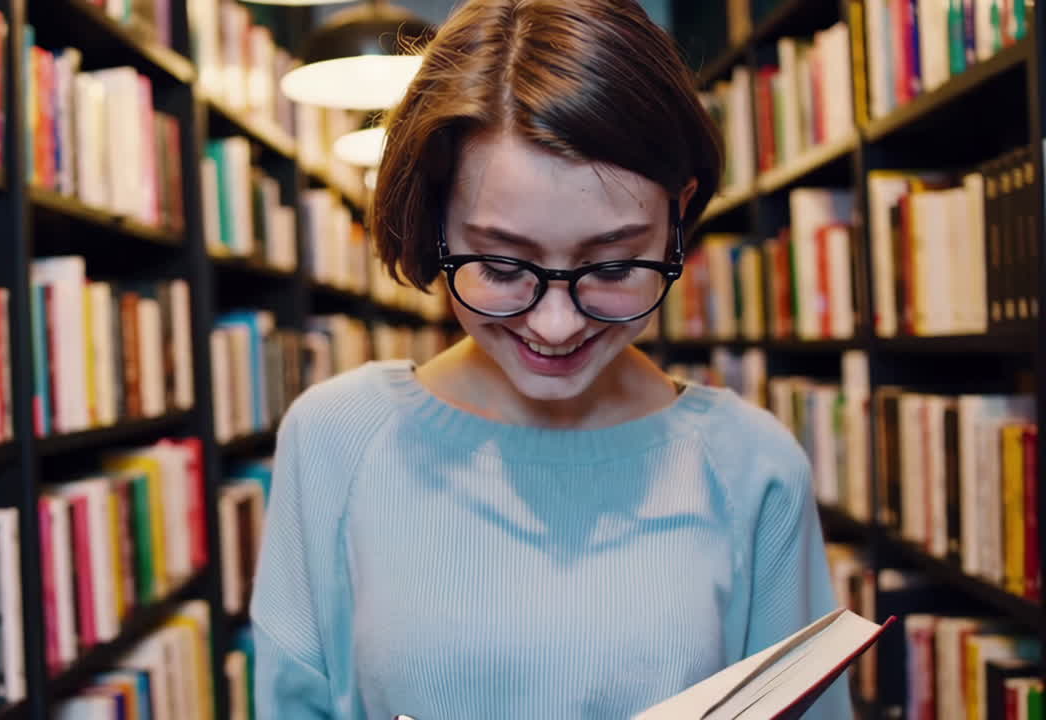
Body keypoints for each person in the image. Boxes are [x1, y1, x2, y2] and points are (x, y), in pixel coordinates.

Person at [250, 1, 851, 718]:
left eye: (615, 264)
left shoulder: (753, 467)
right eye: (502, 267)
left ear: (678, 219)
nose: (557, 325)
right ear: (435, 222)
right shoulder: (336, 437)